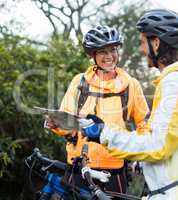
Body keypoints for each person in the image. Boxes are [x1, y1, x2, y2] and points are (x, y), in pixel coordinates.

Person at [79, 9, 178, 200]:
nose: (142, 49)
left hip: (177, 193)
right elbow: (172, 139)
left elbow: (157, 144)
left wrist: (103, 133)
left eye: (143, 42)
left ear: (156, 43)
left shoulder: (175, 83)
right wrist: (142, 163)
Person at [44, 25, 150, 199]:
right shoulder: (79, 83)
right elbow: (68, 123)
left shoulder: (131, 85)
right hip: (79, 167)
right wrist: (56, 124)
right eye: (102, 51)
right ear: (93, 54)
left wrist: (142, 155)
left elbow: (144, 124)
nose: (109, 56)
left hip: (115, 170)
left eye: (113, 50)